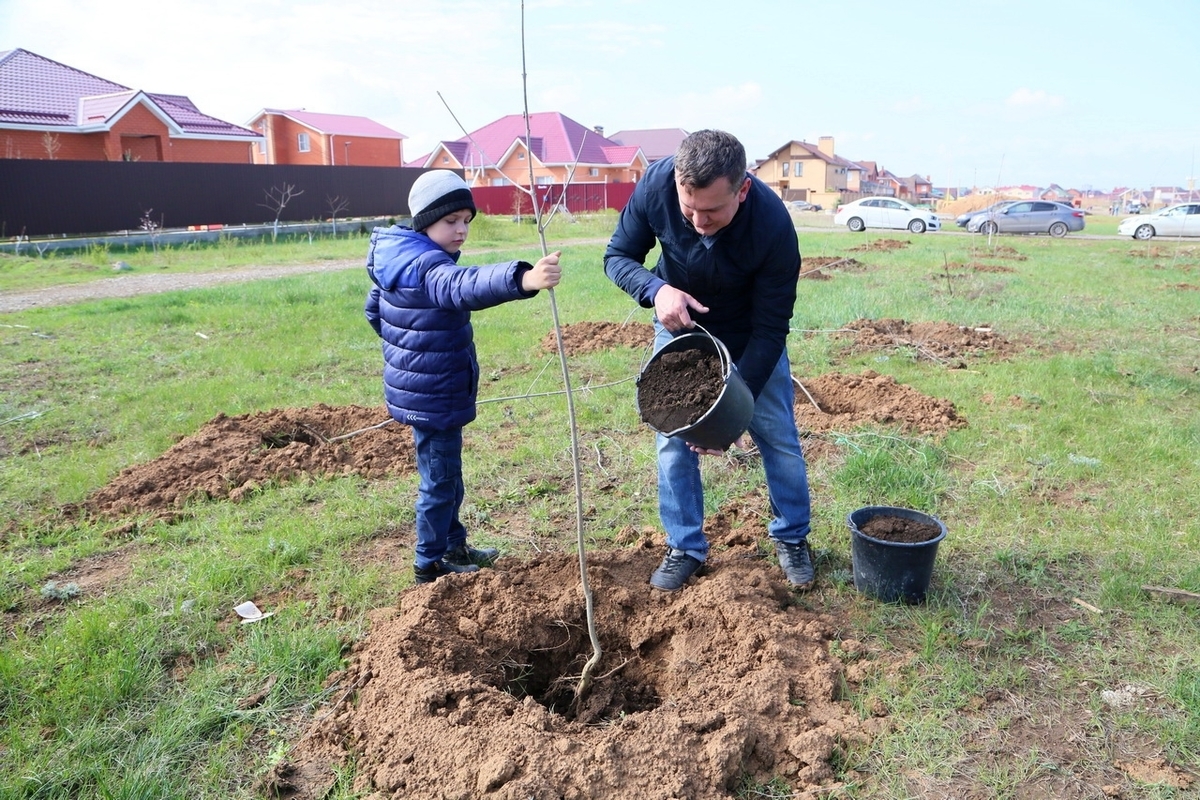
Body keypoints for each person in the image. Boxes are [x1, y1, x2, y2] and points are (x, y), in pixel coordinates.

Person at [604, 129, 814, 592]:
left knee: (775, 434)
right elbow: (618, 256)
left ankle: (792, 536)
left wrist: (731, 413)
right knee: (672, 439)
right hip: (680, 325)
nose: (698, 221)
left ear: (742, 189)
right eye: (689, 207)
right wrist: (655, 289)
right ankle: (685, 545)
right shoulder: (656, 186)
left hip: (748, 335)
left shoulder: (774, 227)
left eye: (712, 211)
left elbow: (771, 329)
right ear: (677, 181)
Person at [365, 170, 562, 585]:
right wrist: (524, 279)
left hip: (425, 391)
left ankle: (453, 545)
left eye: (467, 221)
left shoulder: (396, 259)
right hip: (433, 396)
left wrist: (407, 352)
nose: (462, 230)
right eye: (451, 221)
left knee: (447, 476)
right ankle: (428, 564)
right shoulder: (428, 267)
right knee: (439, 482)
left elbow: (374, 313)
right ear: (425, 222)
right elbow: (462, 286)